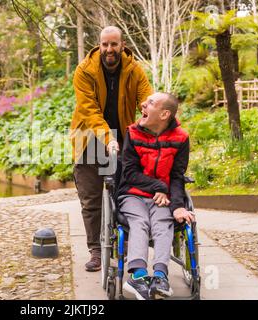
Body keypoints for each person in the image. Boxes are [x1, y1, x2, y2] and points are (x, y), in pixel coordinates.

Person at [70, 26, 153, 272]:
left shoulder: (134, 70)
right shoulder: (85, 70)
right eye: (105, 44)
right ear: (99, 45)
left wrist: (153, 117)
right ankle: (96, 250)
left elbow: (146, 99)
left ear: (122, 45)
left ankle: (125, 244)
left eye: (114, 44)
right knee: (92, 199)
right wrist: (108, 138)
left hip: (124, 139)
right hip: (89, 139)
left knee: (126, 194)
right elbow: (89, 111)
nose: (109, 49)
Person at [117, 92, 195, 300]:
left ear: (164, 114)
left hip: (163, 198)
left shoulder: (181, 138)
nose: (143, 104)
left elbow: (177, 176)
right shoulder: (132, 134)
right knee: (140, 221)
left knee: (163, 221)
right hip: (132, 194)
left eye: (150, 103)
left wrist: (178, 206)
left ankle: (160, 276)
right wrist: (159, 185)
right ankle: (139, 276)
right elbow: (129, 174)